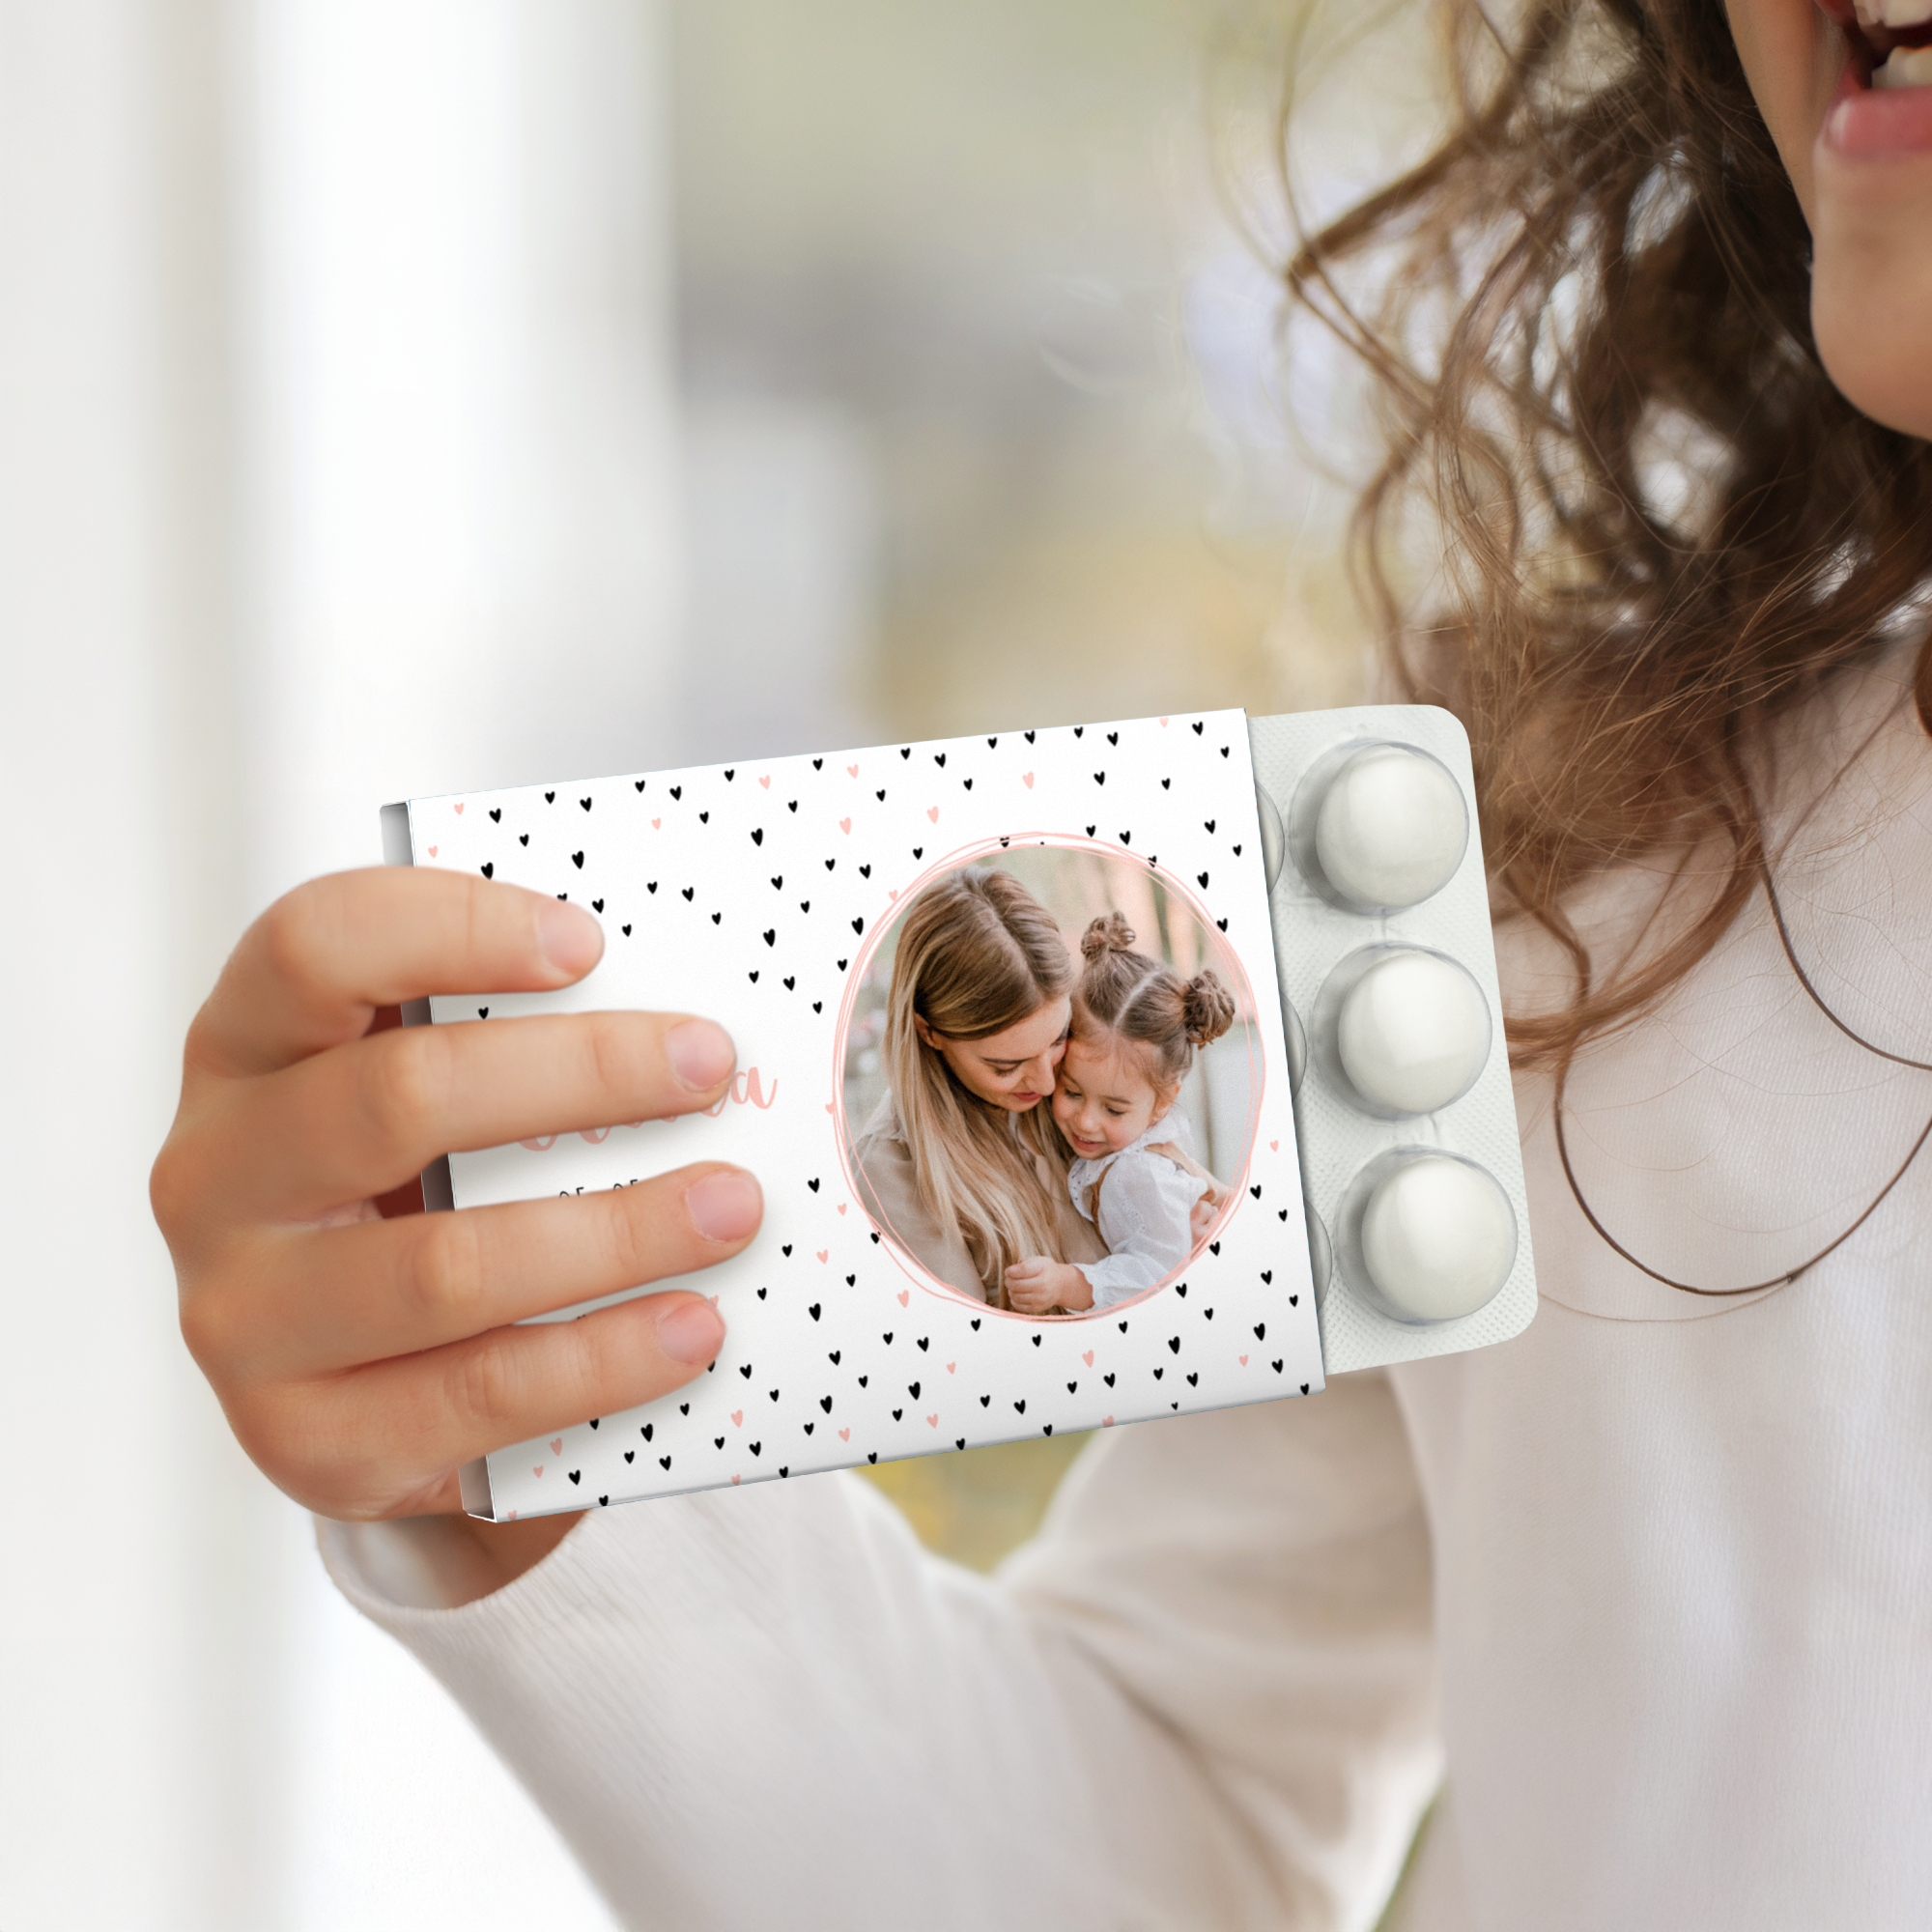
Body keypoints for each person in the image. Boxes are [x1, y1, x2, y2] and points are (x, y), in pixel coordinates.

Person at [151, 0, 1932, 1922]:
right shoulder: (1561, 908)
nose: (1053, 1090)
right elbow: (1171, 1819)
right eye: (1035, 1070)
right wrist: (529, 1437)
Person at [844, 866, 1108, 1306]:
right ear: (929, 1033)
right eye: (1006, 1066)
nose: (1046, 1084)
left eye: (1058, 1038)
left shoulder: (1083, 1083)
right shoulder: (889, 1172)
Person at [1005, 913, 1235, 1316]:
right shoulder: (1133, 1136)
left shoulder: (1137, 1174)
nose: (1086, 1121)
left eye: (1113, 1108)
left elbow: (1157, 1277)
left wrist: (1064, 1284)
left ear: (1163, 1102)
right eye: (1071, 1090)